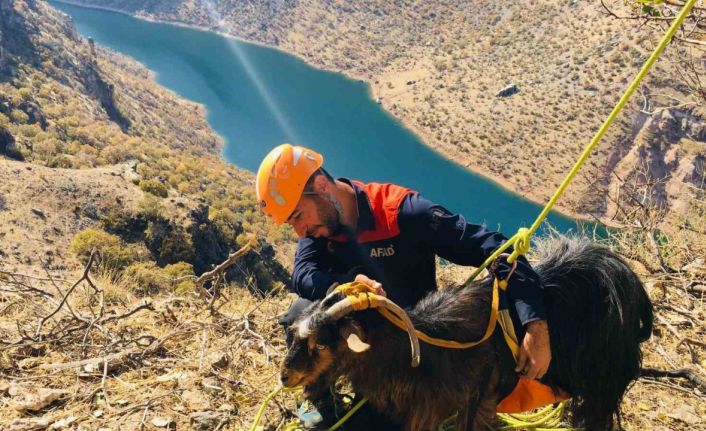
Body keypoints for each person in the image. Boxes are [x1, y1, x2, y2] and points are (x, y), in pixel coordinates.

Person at [256, 143, 551, 429]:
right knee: (300, 313)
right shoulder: (319, 228)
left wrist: (535, 324)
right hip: (361, 344)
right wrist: (344, 287)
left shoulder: (403, 212)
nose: (299, 231)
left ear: (321, 187)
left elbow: (495, 249)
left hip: (413, 342)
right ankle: (320, 392)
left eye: (298, 216)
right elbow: (303, 272)